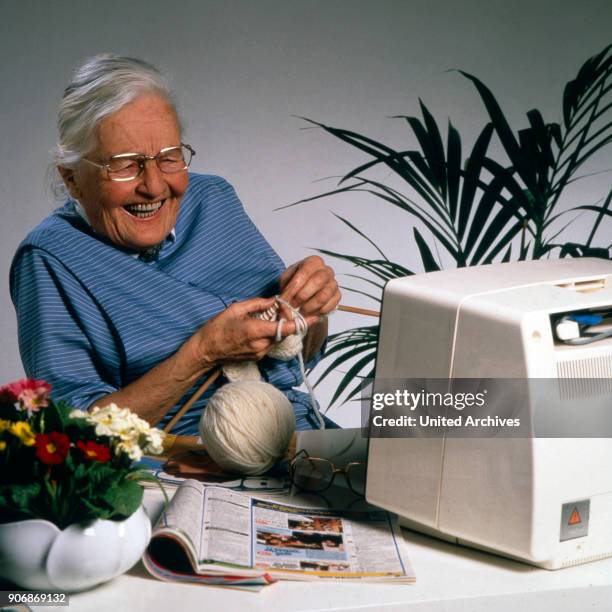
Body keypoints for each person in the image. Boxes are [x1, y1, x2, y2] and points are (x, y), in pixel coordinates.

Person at [10, 54, 341, 435]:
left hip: (296, 434)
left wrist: (309, 310)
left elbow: (298, 355)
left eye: (169, 158)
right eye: (124, 164)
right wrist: (203, 352)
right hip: (182, 465)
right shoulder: (50, 258)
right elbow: (77, 433)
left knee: (415, 433)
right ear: (71, 178)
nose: (153, 185)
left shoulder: (211, 198)